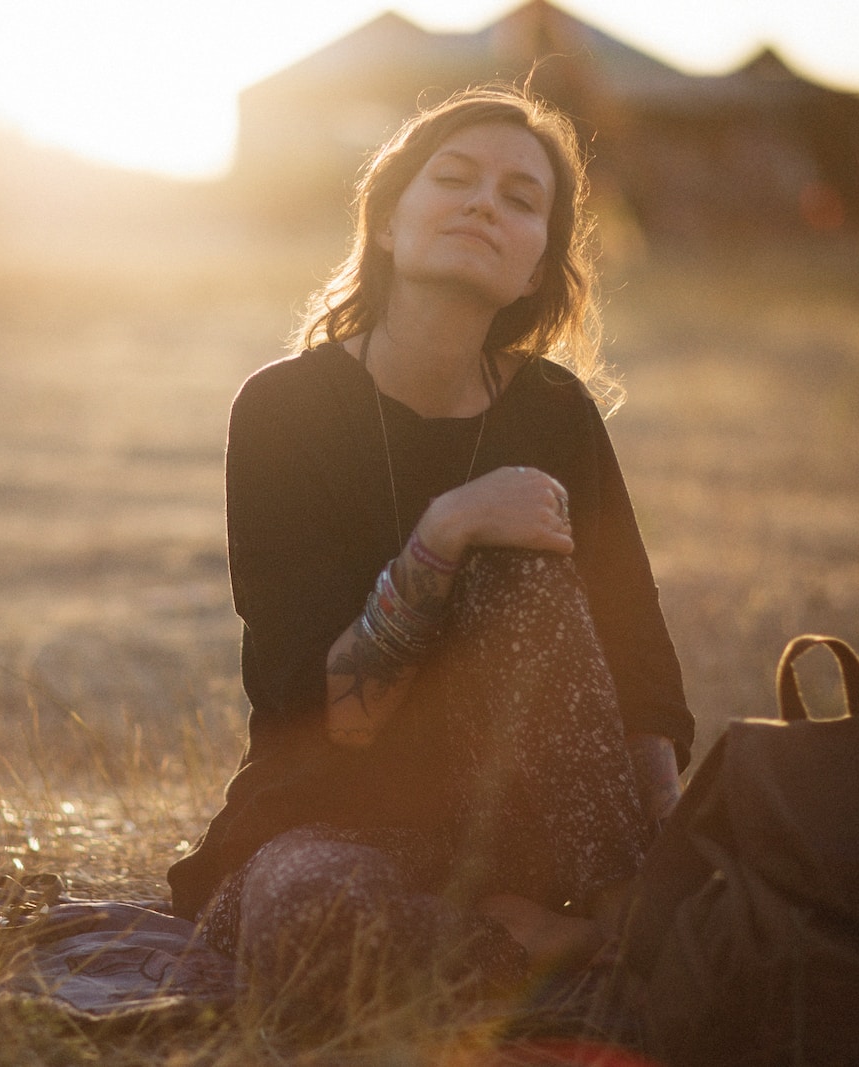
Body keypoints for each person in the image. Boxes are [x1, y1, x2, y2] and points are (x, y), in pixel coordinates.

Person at [167, 85, 694, 1029]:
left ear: (537, 266)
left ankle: (609, 920)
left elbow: (637, 661)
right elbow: (337, 717)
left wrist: (660, 861)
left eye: (521, 198)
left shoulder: (554, 412)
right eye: (453, 178)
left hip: (545, 830)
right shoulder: (284, 413)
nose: (485, 203)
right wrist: (442, 533)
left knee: (524, 567)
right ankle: (552, 948)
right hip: (340, 816)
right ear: (387, 222)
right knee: (302, 918)